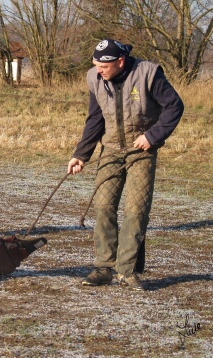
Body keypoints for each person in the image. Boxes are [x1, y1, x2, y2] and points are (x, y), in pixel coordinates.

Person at [68, 39, 184, 291]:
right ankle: (104, 266)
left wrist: (152, 136)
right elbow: (95, 118)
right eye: (96, 64)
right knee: (103, 205)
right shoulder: (94, 78)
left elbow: (175, 106)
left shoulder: (149, 73)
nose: (99, 69)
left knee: (135, 210)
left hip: (141, 151)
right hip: (110, 150)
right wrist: (81, 154)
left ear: (120, 62)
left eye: (104, 65)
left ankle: (127, 271)